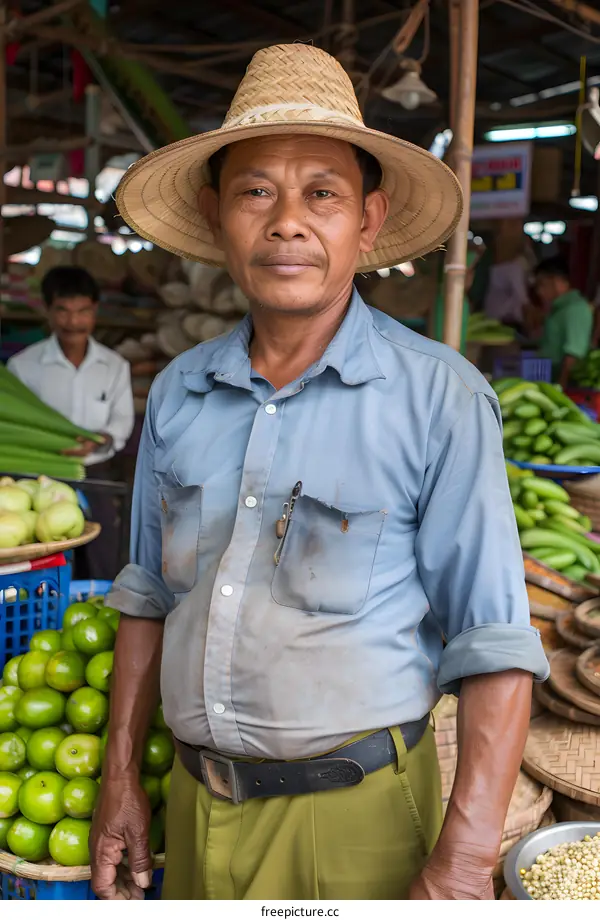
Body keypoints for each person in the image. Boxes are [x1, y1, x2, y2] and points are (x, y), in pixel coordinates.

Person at [90, 44, 548, 902]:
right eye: (256, 190)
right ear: (215, 211)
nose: (287, 221)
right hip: (194, 806)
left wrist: (462, 860)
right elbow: (149, 592)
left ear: (367, 222)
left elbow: (493, 644)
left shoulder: (438, 399)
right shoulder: (182, 392)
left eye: (322, 194)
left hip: (355, 822)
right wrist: (121, 778)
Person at [7, 266, 135, 578]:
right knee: (40, 557)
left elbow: (122, 420)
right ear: (48, 311)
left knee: (104, 554)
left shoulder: (114, 366)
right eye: (62, 311)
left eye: (82, 311)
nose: (73, 321)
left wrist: (102, 439)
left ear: (94, 311)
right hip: (38, 474)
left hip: (95, 471)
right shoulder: (23, 367)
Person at [535, 256, 593, 387]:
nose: (539, 291)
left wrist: (562, 386)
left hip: (565, 383)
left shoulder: (576, 309)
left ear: (557, 282)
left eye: (542, 284)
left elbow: (573, 354)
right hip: (550, 377)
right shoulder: (558, 308)